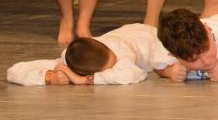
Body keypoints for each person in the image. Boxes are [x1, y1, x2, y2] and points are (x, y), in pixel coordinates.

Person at [6, 23, 175, 86]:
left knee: (167, 60)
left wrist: (83, 80)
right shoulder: (72, 58)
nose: (116, 65)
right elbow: (14, 71)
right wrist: (49, 78)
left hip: (154, 37)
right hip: (133, 30)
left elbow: (133, 74)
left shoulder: (122, 53)